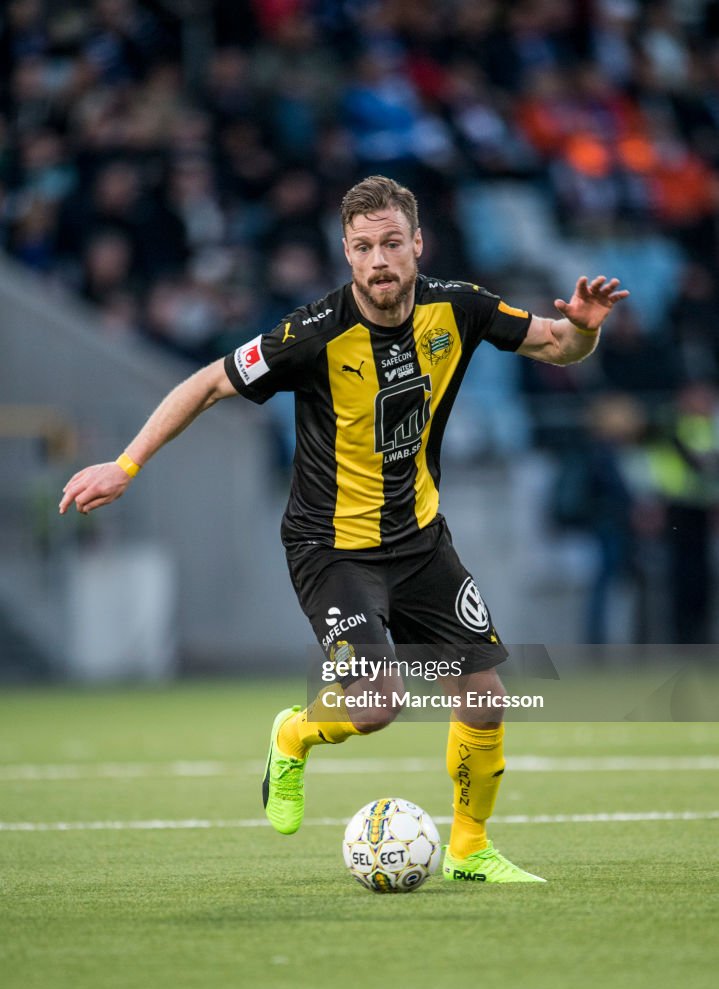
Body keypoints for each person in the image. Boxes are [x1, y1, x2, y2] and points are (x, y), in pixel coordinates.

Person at [59, 175, 629, 884]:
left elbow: (556, 348)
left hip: (420, 540)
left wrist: (582, 326)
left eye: (392, 243)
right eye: (363, 247)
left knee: (482, 698)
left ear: (417, 243)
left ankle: (468, 848)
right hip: (330, 548)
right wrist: (126, 465)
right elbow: (205, 383)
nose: (379, 261)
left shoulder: (460, 309)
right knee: (378, 704)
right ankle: (292, 735)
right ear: (346, 252)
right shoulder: (311, 334)